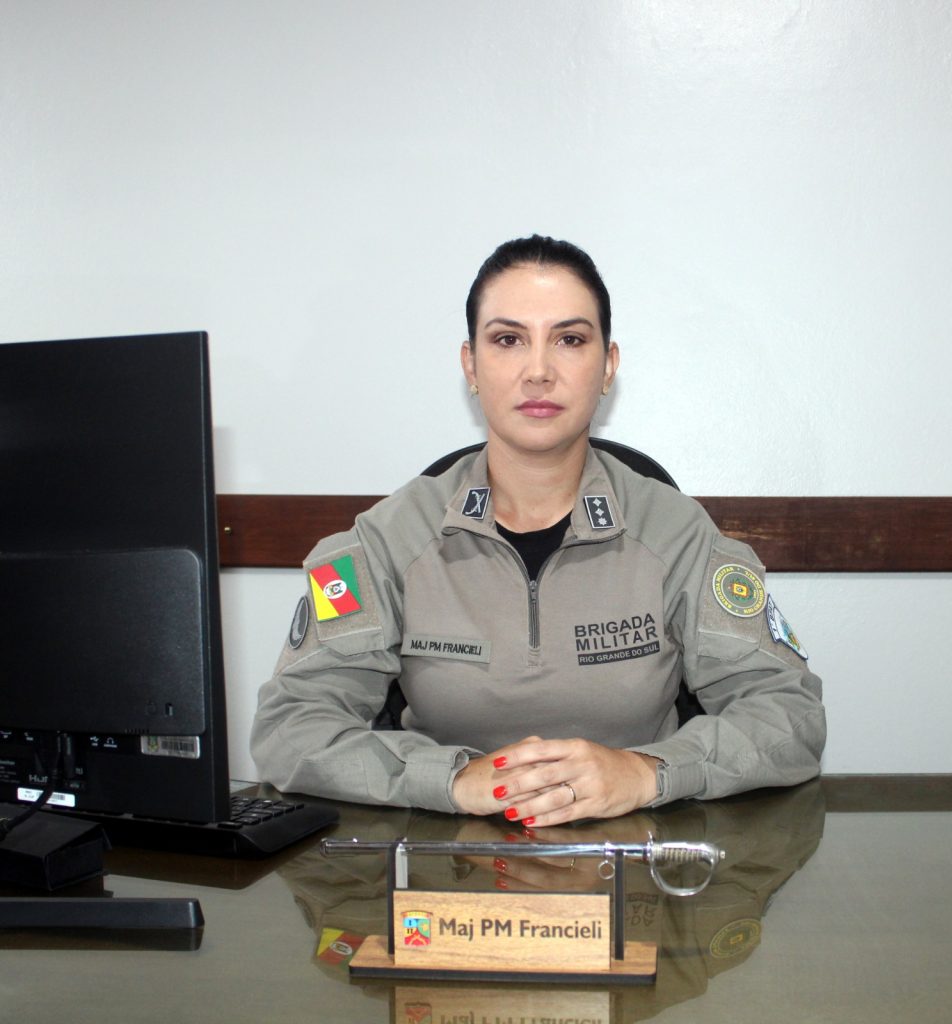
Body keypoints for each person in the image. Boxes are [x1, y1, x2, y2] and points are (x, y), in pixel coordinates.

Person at [251, 235, 825, 827]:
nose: (539, 372)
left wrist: (648, 771)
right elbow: (290, 728)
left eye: (570, 340)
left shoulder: (678, 533)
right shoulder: (387, 541)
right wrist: (452, 779)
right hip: (443, 861)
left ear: (608, 366)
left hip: (635, 859)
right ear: (471, 366)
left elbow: (791, 716)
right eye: (508, 340)